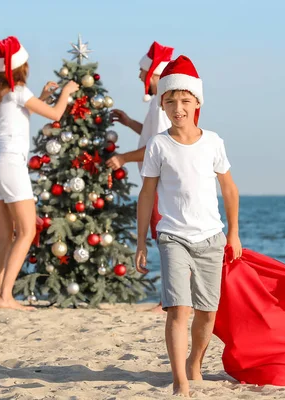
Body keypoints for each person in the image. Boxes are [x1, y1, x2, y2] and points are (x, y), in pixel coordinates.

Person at [135, 55, 242, 397]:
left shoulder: (213, 141)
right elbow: (146, 195)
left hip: (211, 237)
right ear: (162, 104)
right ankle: (180, 378)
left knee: (207, 313)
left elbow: (229, 189)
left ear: (197, 102)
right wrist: (141, 242)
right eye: (170, 101)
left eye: (185, 100)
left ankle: (196, 360)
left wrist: (234, 232)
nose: (178, 107)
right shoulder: (158, 145)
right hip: (173, 237)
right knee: (179, 309)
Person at [0, 36, 79, 310]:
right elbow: (56, 115)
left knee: (4, 235)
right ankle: (5, 297)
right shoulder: (19, 90)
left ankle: (1, 293)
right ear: (22, 66)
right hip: (9, 164)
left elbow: (17, 116)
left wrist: (42, 97)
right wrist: (66, 92)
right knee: (26, 231)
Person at [106, 41, 174, 313]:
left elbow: (153, 148)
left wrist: (122, 158)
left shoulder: (161, 106)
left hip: (160, 184)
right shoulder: (157, 106)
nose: (138, 77)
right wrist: (128, 122)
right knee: (164, 239)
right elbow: (150, 136)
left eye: (142, 72)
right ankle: (170, 298)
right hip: (158, 182)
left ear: (155, 74)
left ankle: (168, 300)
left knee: (166, 239)